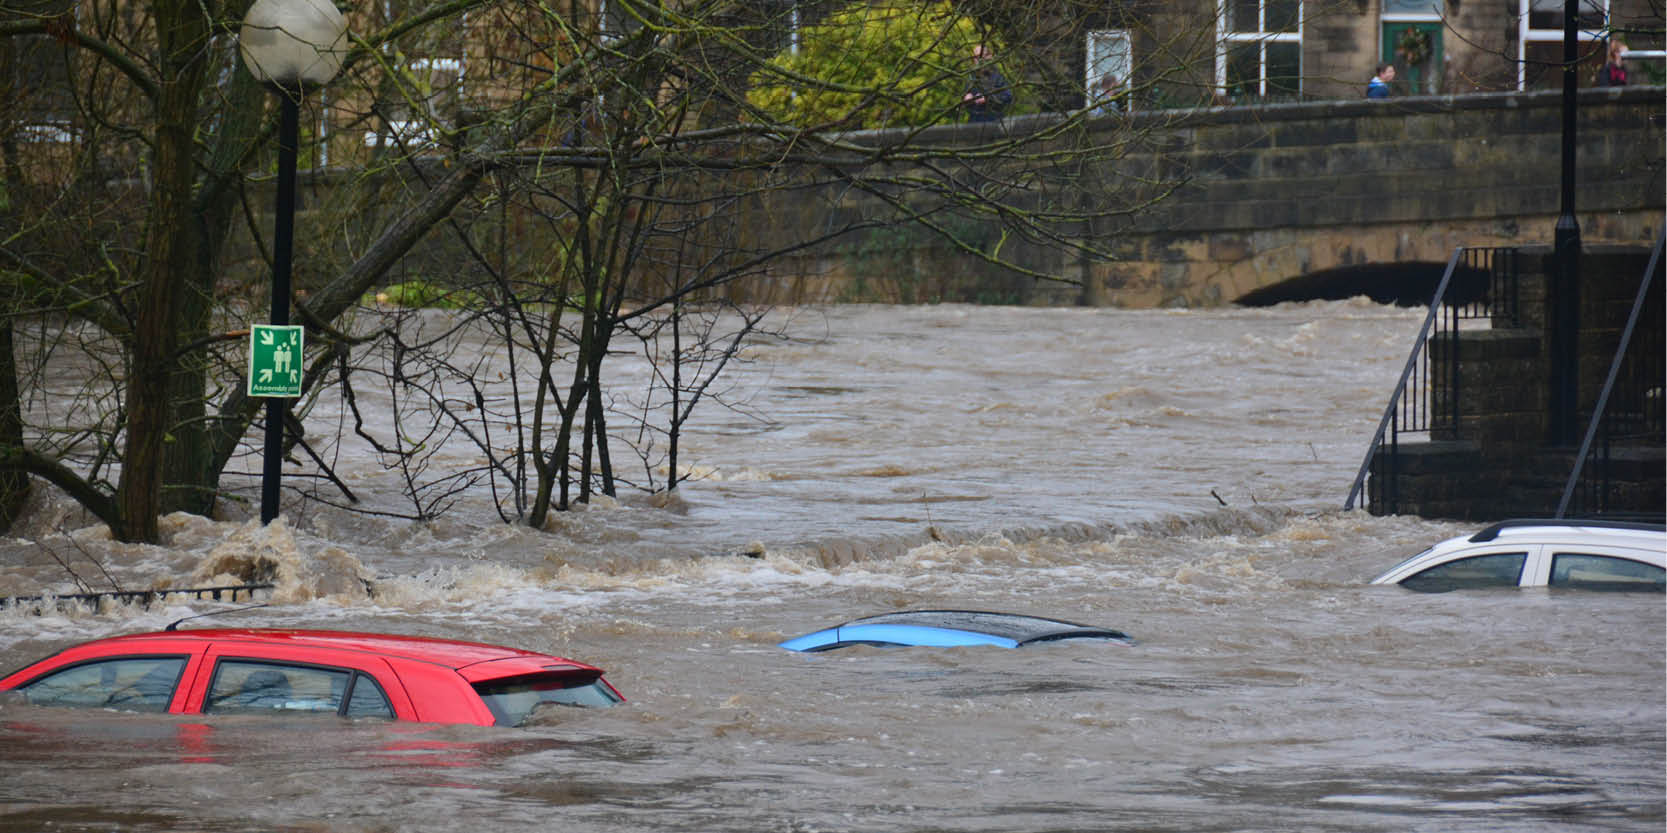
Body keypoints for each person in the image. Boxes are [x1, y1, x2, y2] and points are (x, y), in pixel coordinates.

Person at [963, 45, 1013, 123]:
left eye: (982, 56)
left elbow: (1008, 96)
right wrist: (967, 99)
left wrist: (987, 99)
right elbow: (966, 100)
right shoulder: (971, 78)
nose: (979, 60)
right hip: (974, 123)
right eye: (976, 57)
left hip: (994, 122)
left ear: (989, 57)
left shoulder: (997, 77)